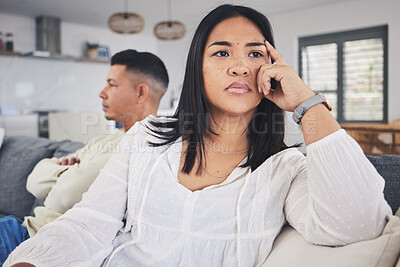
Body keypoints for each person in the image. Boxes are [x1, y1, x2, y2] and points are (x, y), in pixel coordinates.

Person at [5, 4, 391, 267]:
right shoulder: (147, 138)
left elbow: (358, 224)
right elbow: (88, 223)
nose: (240, 66)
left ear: (271, 68)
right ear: (198, 68)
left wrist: (307, 102)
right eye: (222, 53)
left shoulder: (285, 169)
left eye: (255, 54)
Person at [0, 49, 169, 265]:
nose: (102, 93)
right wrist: (68, 172)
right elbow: (34, 182)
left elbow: (65, 194)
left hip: (36, 241)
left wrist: (64, 174)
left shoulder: (141, 148)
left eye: (112, 84)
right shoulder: (101, 141)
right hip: (18, 227)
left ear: (140, 93)